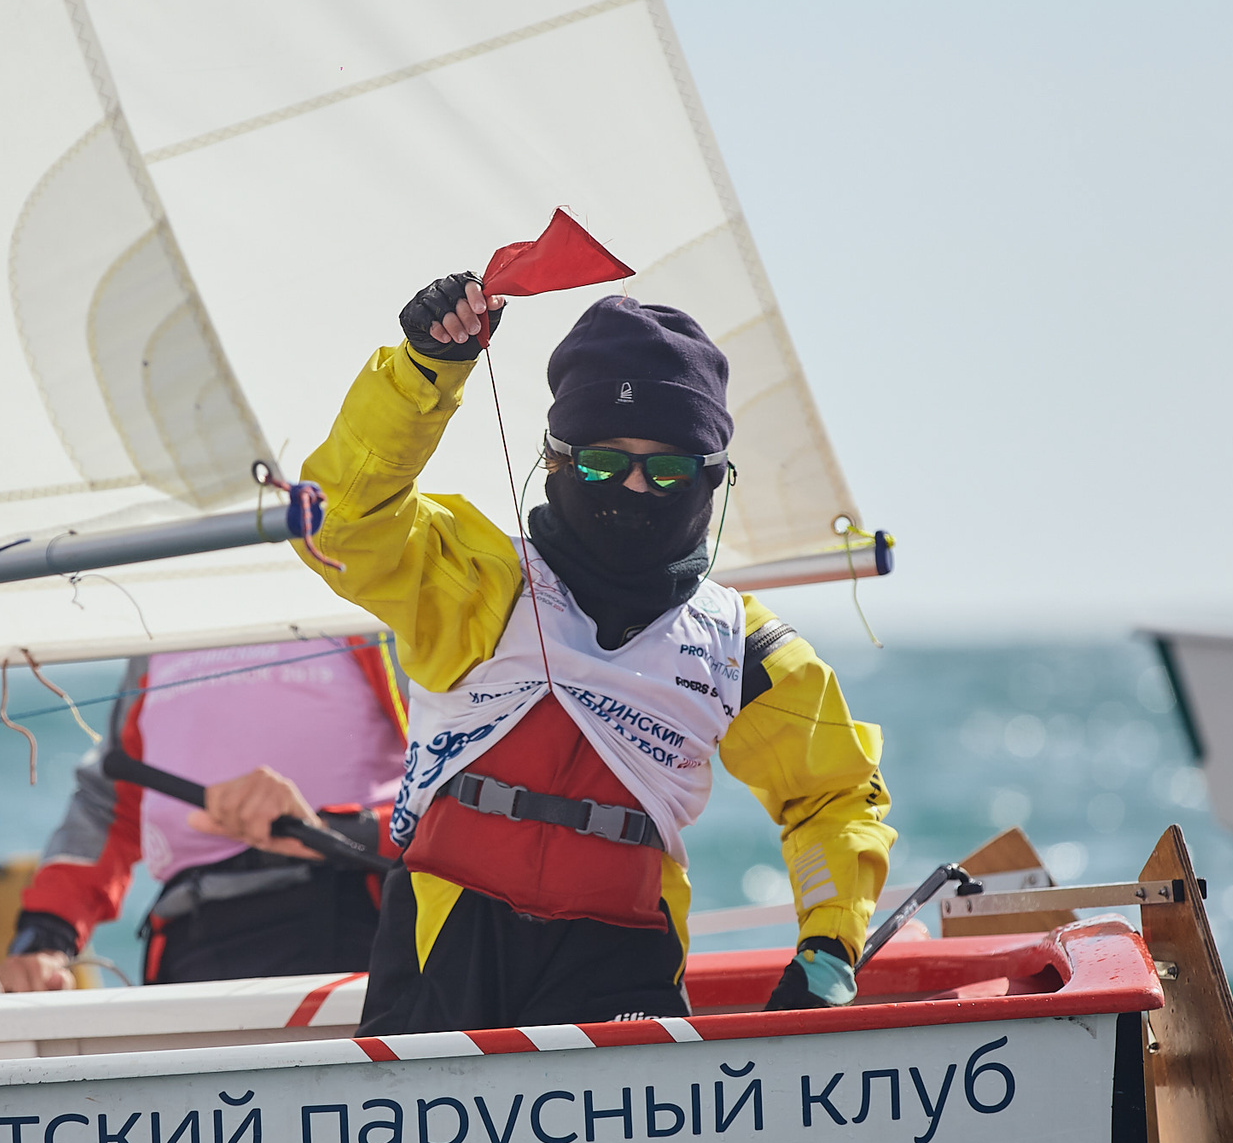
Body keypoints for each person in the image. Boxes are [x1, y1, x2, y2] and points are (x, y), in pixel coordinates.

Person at [295, 274, 893, 1033]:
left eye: (669, 470)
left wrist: (828, 947)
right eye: (606, 464)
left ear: (713, 480)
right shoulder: (474, 581)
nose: (636, 487)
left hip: (623, 957)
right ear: (555, 459)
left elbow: (836, 796)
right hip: (445, 942)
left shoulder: (742, 648)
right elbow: (338, 523)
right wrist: (424, 370)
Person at [0, 637, 406, 991]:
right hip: (191, 941)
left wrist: (334, 831)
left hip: (356, 917)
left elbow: (456, 791)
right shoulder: (163, 633)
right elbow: (109, 806)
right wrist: (43, 940)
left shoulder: (373, 609)